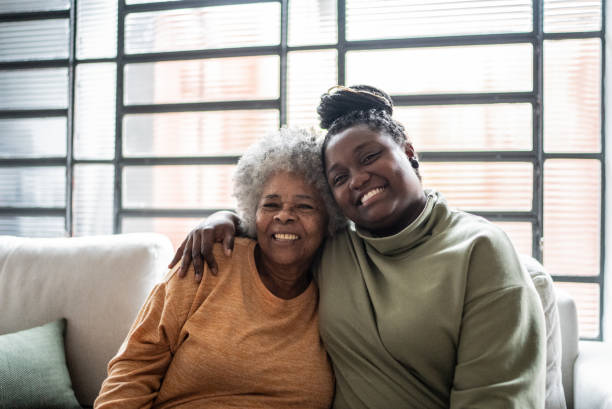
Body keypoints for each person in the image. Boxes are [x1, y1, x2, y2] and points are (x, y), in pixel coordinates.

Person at [170, 84, 547, 409]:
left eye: (369, 157)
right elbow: (280, 227)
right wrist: (225, 219)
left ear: (410, 152)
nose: (358, 179)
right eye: (339, 177)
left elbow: (496, 397)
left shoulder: (479, 250)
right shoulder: (336, 249)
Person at [94, 128, 346, 409]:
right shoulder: (207, 261)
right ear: (252, 213)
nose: (284, 215)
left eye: (305, 206)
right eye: (271, 204)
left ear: (330, 219)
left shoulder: (338, 288)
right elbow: (133, 370)